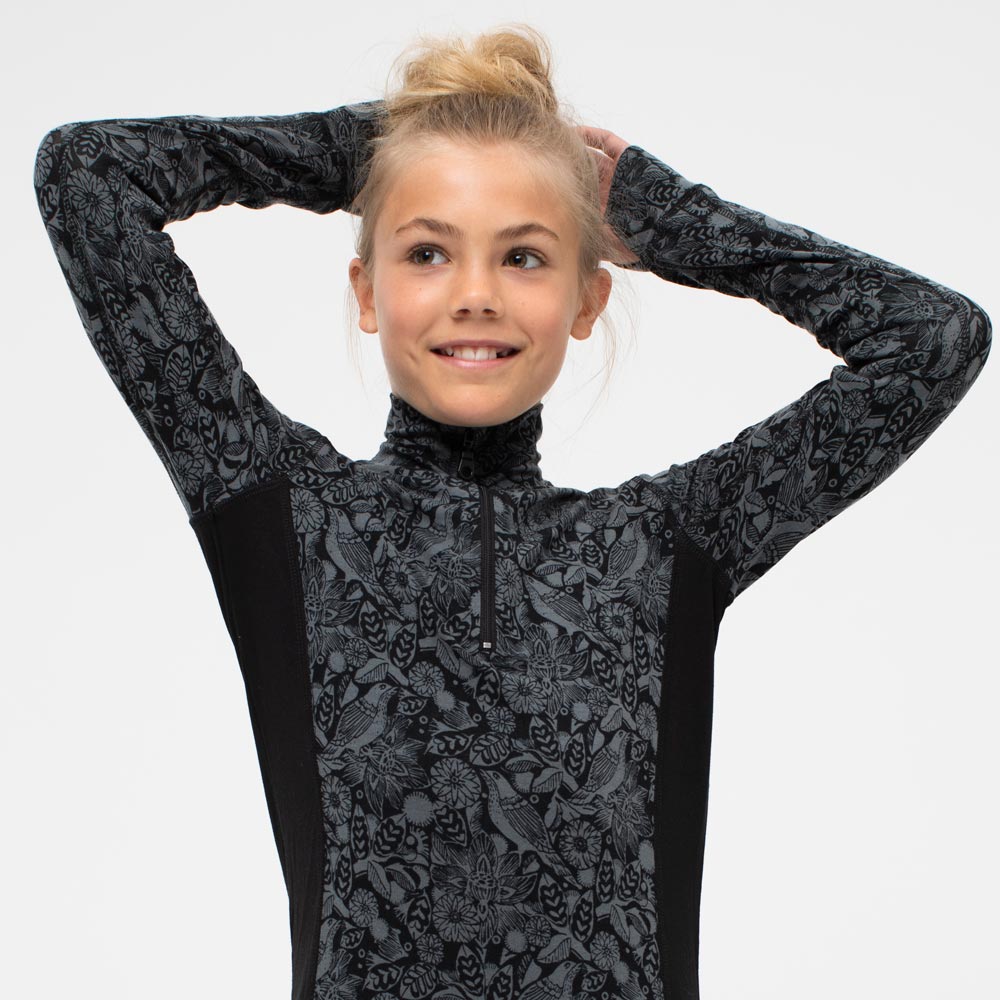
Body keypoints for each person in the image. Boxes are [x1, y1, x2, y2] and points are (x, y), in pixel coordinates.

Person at [32, 22, 991, 1000]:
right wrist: (374, 149)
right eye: (427, 251)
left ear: (586, 298)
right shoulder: (285, 514)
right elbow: (88, 173)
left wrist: (673, 218)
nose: (476, 296)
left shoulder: (663, 546)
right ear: (367, 290)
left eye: (524, 256)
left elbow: (935, 338)